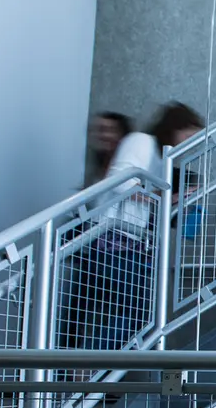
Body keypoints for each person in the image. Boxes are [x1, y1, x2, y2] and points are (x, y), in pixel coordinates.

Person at [62, 102, 203, 351]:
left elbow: (148, 196)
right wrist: (162, 196)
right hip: (112, 238)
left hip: (128, 241)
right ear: (175, 127)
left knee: (129, 312)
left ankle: (90, 368)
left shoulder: (161, 157)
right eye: (189, 135)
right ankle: (92, 367)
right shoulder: (141, 141)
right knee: (136, 311)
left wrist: (174, 199)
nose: (190, 141)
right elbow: (120, 179)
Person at [86, 112, 134, 185]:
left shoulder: (132, 168)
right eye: (99, 130)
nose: (104, 135)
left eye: (110, 130)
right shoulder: (97, 168)